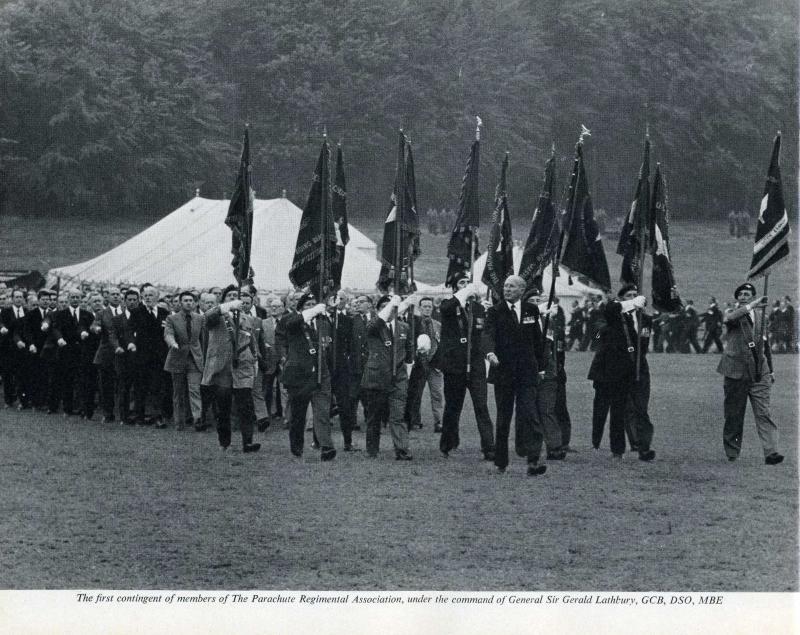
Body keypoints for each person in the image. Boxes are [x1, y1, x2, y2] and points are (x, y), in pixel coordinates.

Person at [483, 275, 555, 475]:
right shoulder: (495, 312)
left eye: (512, 286)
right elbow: (487, 334)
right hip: (504, 372)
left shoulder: (531, 310)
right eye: (505, 285)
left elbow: (537, 341)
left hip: (527, 373)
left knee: (531, 416)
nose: (507, 289)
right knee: (504, 418)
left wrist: (541, 367)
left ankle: (533, 461)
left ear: (522, 290)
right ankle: (501, 463)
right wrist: (490, 353)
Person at [587, 284, 656, 461]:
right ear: (622, 298)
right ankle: (609, 446)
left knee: (640, 408)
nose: (633, 297)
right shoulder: (612, 315)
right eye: (628, 295)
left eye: (635, 295)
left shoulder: (645, 319)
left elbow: (644, 344)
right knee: (613, 410)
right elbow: (598, 333)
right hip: (613, 369)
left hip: (638, 367)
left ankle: (643, 447)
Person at [716, 283, 783, 465]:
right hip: (735, 371)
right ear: (738, 298)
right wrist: (751, 306)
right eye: (741, 294)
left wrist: (771, 369)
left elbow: (765, 345)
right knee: (734, 414)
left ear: (753, 295)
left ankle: (771, 452)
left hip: (759, 371)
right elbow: (729, 319)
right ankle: (732, 451)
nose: (744, 296)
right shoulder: (733, 313)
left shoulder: (761, 317)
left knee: (763, 412)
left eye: (748, 294)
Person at [438, 273, 495, 460]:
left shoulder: (478, 309)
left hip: (476, 364)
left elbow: (485, 333)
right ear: (455, 287)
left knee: (481, 407)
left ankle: (489, 447)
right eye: (461, 283)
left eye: (468, 282)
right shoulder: (449, 304)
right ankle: (447, 443)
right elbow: (446, 310)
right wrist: (463, 293)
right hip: (455, 365)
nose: (466, 285)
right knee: (453, 407)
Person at [200, 285, 261, 453]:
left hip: (242, 368)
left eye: (237, 296)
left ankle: (247, 442)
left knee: (245, 406)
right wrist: (225, 308)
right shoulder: (218, 316)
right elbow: (206, 318)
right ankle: (224, 441)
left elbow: (251, 342)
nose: (234, 298)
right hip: (222, 368)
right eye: (230, 296)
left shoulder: (247, 319)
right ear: (224, 299)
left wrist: (254, 359)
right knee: (223, 408)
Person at [280, 292, 336, 460]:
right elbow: (291, 325)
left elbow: (329, 344)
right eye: (307, 304)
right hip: (300, 373)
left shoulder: (323, 322)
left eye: (314, 303)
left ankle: (326, 446)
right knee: (298, 414)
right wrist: (312, 311)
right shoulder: (292, 320)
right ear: (300, 308)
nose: (311, 307)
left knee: (322, 411)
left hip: (321, 371)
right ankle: (296, 447)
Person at [360, 294, 416, 460]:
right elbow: (374, 324)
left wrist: (408, 367)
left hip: (398, 377)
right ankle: (372, 449)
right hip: (377, 376)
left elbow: (409, 350)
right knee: (374, 416)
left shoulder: (403, 327)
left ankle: (401, 449)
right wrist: (391, 304)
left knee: (397, 415)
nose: (390, 310)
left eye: (392, 307)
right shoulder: (374, 326)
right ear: (378, 310)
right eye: (385, 307)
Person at [129, 285, 171, 426]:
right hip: (141, 356)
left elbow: (169, 332)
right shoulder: (136, 312)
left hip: (159, 356)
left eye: (151, 295)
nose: (148, 298)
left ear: (157, 297)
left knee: (157, 387)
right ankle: (140, 416)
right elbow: (129, 330)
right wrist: (131, 343)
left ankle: (157, 416)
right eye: (145, 295)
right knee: (140, 386)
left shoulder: (164, 312)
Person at [164, 290, 204, 431]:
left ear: (194, 303)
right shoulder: (172, 318)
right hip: (177, 358)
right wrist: (173, 343)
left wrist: (203, 356)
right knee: (178, 392)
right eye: (185, 300)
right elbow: (168, 334)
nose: (188, 303)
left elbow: (202, 339)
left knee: (195, 389)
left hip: (194, 359)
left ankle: (197, 419)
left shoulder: (199, 319)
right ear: (180, 303)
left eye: (191, 300)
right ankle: (179, 422)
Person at [50, 289, 93, 416]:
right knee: (67, 380)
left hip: (82, 351)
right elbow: (56, 328)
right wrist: (60, 339)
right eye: (72, 297)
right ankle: (67, 408)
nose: (75, 299)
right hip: (66, 350)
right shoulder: (60, 314)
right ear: (69, 298)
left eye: (77, 297)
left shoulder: (87, 315)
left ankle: (81, 408)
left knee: (82, 381)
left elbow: (90, 329)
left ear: (81, 299)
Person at [404, 296, 443, 433]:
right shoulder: (414, 323)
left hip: (434, 364)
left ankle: (438, 422)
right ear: (420, 308)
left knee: (437, 393)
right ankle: (415, 419)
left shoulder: (438, 325)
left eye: (429, 306)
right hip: (419, 363)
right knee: (416, 393)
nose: (427, 308)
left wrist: (439, 362)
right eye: (424, 306)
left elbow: (441, 344)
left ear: (433, 308)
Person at [329, 290, 359, 451]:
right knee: (323, 405)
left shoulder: (347, 320)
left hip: (342, 367)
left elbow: (351, 344)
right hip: (325, 366)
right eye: (335, 298)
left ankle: (348, 441)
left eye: (341, 299)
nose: (338, 301)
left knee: (345, 405)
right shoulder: (322, 318)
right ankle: (318, 439)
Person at [0, 289, 28, 408]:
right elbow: (1, 323)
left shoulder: (27, 312)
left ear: (23, 299)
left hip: (21, 348)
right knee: (7, 375)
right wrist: (2, 329)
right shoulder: (6, 312)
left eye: (21, 297)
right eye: (16, 297)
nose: (18, 299)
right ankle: (8, 400)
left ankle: (22, 400)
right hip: (8, 348)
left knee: (21, 375)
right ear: (12, 299)